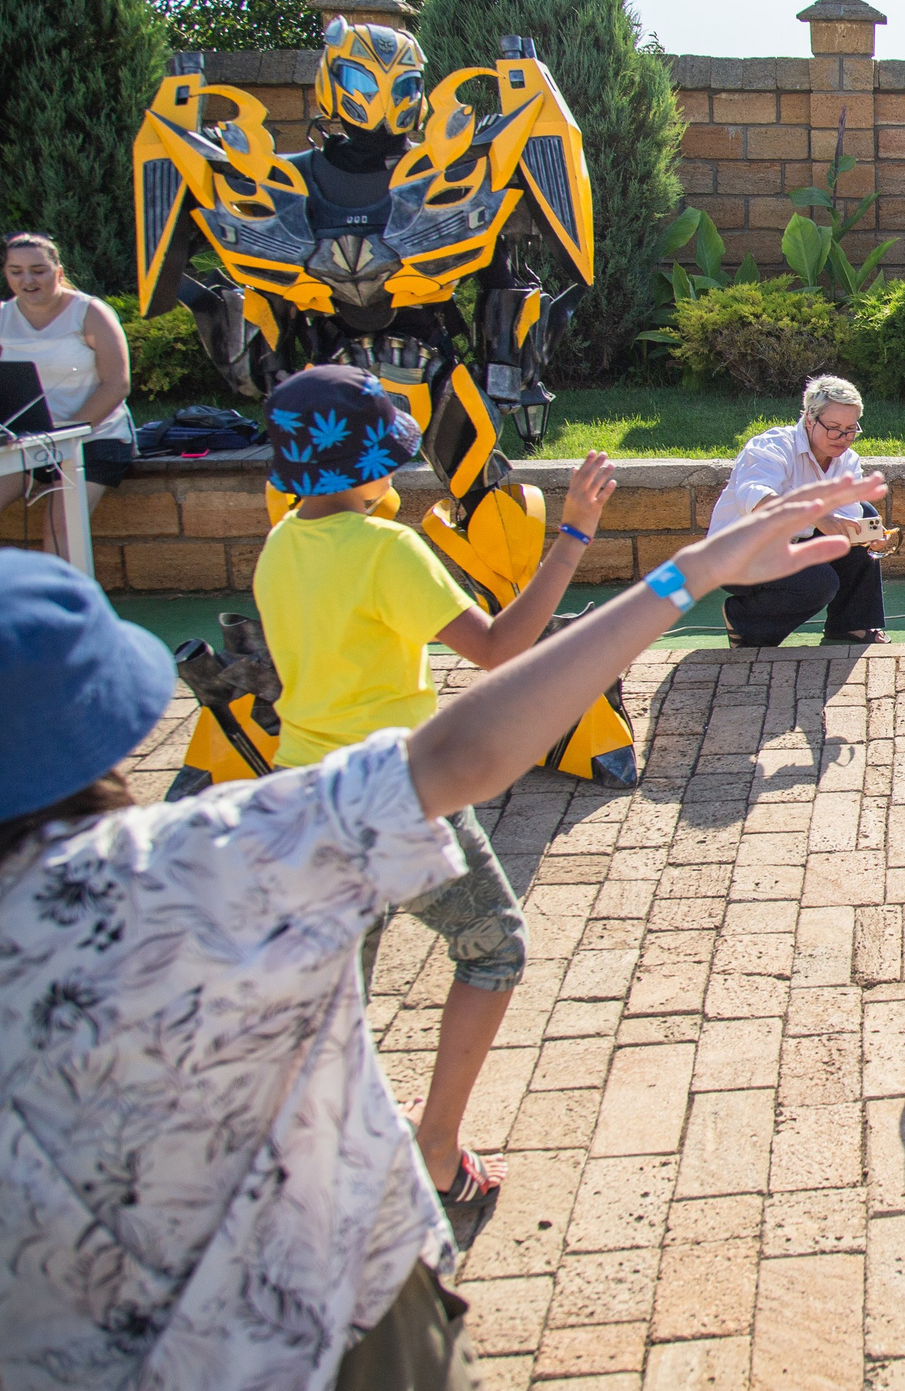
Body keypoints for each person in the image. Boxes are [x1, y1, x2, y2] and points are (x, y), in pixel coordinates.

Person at [0, 473, 879, 1388]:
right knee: (490, 944)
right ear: (98, 721)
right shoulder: (212, 864)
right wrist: (683, 576)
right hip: (334, 1328)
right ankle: (441, 1145)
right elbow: (467, 751)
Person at [254, 364, 618, 1224]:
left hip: (302, 792)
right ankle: (436, 1146)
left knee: (339, 991)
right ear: (365, 461)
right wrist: (572, 535)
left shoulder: (280, 544)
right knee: (494, 948)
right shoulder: (386, 548)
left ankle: (313, 1166)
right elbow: (500, 647)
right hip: (394, 791)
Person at [709, 373, 895, 647]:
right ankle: (744, 621)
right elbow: (757, 501)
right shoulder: (770, 446)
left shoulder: (847, 460)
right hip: (740, 554)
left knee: (866, 515)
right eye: (834, 428)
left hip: (792, 542)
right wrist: (816, 515)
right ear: (809, 419)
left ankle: (851, 626)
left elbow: (848, 516)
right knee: (819, 582)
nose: (843, 438)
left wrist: (869, 536)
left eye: (851, 429)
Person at [0, 231, 136, 558]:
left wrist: (66, 433)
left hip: (94, 440)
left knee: (60, 528)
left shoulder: (90, 312)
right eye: (16, 271)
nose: (27, 279)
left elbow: (117, 384)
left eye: (38, 270)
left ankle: (61, 607)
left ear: (58, 272)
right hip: (26, 443)